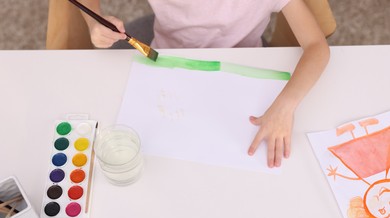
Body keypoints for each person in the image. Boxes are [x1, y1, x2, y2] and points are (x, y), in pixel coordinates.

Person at [79, 0, 330, 168]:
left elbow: (317, 47)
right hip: (168, 65)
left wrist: (285, 106)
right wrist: (94, 22)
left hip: (241, 67)